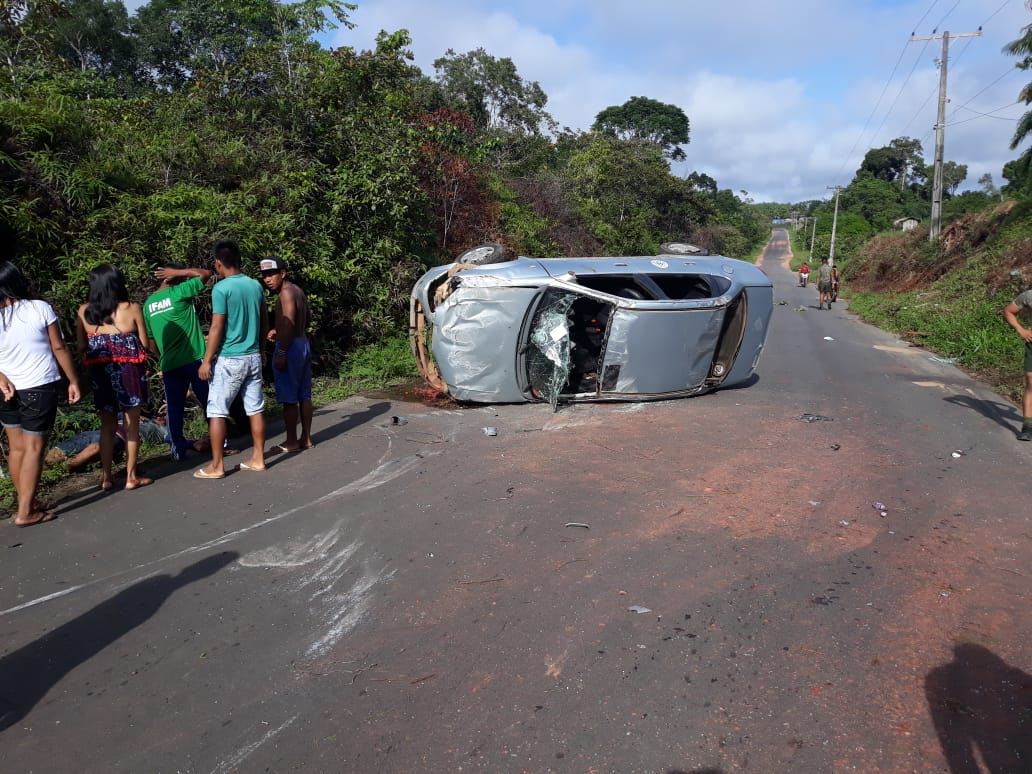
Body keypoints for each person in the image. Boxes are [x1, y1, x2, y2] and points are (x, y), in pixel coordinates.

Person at [0, 261, 81, 526]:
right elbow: (59, 347)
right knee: (34, 448)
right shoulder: (39, 308)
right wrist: (73, 380)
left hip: (5, 390)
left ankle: (27, 501)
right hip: (37, 386)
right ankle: (26, 512)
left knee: (16, 448)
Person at [194, 239, 268, 479]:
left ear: (218, 263)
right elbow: (265, 321)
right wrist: (262, 350)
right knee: (255, 409)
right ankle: (258, 458)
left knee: (217, 411)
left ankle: (217, 466)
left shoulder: (221, 289)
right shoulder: (255, 285)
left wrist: (207, 360)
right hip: (254, 356)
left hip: (231, 359)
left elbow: (217, 326)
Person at [76, 264, 153, 491]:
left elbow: (81, 346)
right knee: (131, 426)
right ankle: (131, 477)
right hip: (129, 372)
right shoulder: (132, 308)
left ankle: (107, 477)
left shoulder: (84, 311)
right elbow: (144, 343)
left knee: (107, 427)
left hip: (101, 374)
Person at [143, 263, 212, 460]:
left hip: (170, 364)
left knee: (174, 408)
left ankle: (178, 450)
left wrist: (162, 358)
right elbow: (205, 273)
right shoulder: (179, 292)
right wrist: (179, 272)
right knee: (209, 402)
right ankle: (220, 442)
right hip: (194, 359)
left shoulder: (148, 305)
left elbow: (149, 341)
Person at [260, 256, 314, 452]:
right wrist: (279, 330)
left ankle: (291, 441)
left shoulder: (285, 293)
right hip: (302, 343)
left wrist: (282, 350)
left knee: (289, 398)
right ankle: (306, 438)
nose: (267, 279)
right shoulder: (297, 290)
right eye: (265, 275)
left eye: (271, 274)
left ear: (283, 274)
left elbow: (289, 320)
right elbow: (306, 318)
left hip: (290, 347)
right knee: (304, 395)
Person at [1003, 288, 1032, 441]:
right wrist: (1021, 330)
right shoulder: (1029, 296)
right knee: (1031, 383)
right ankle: (1027, 427)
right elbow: (1008, 311)